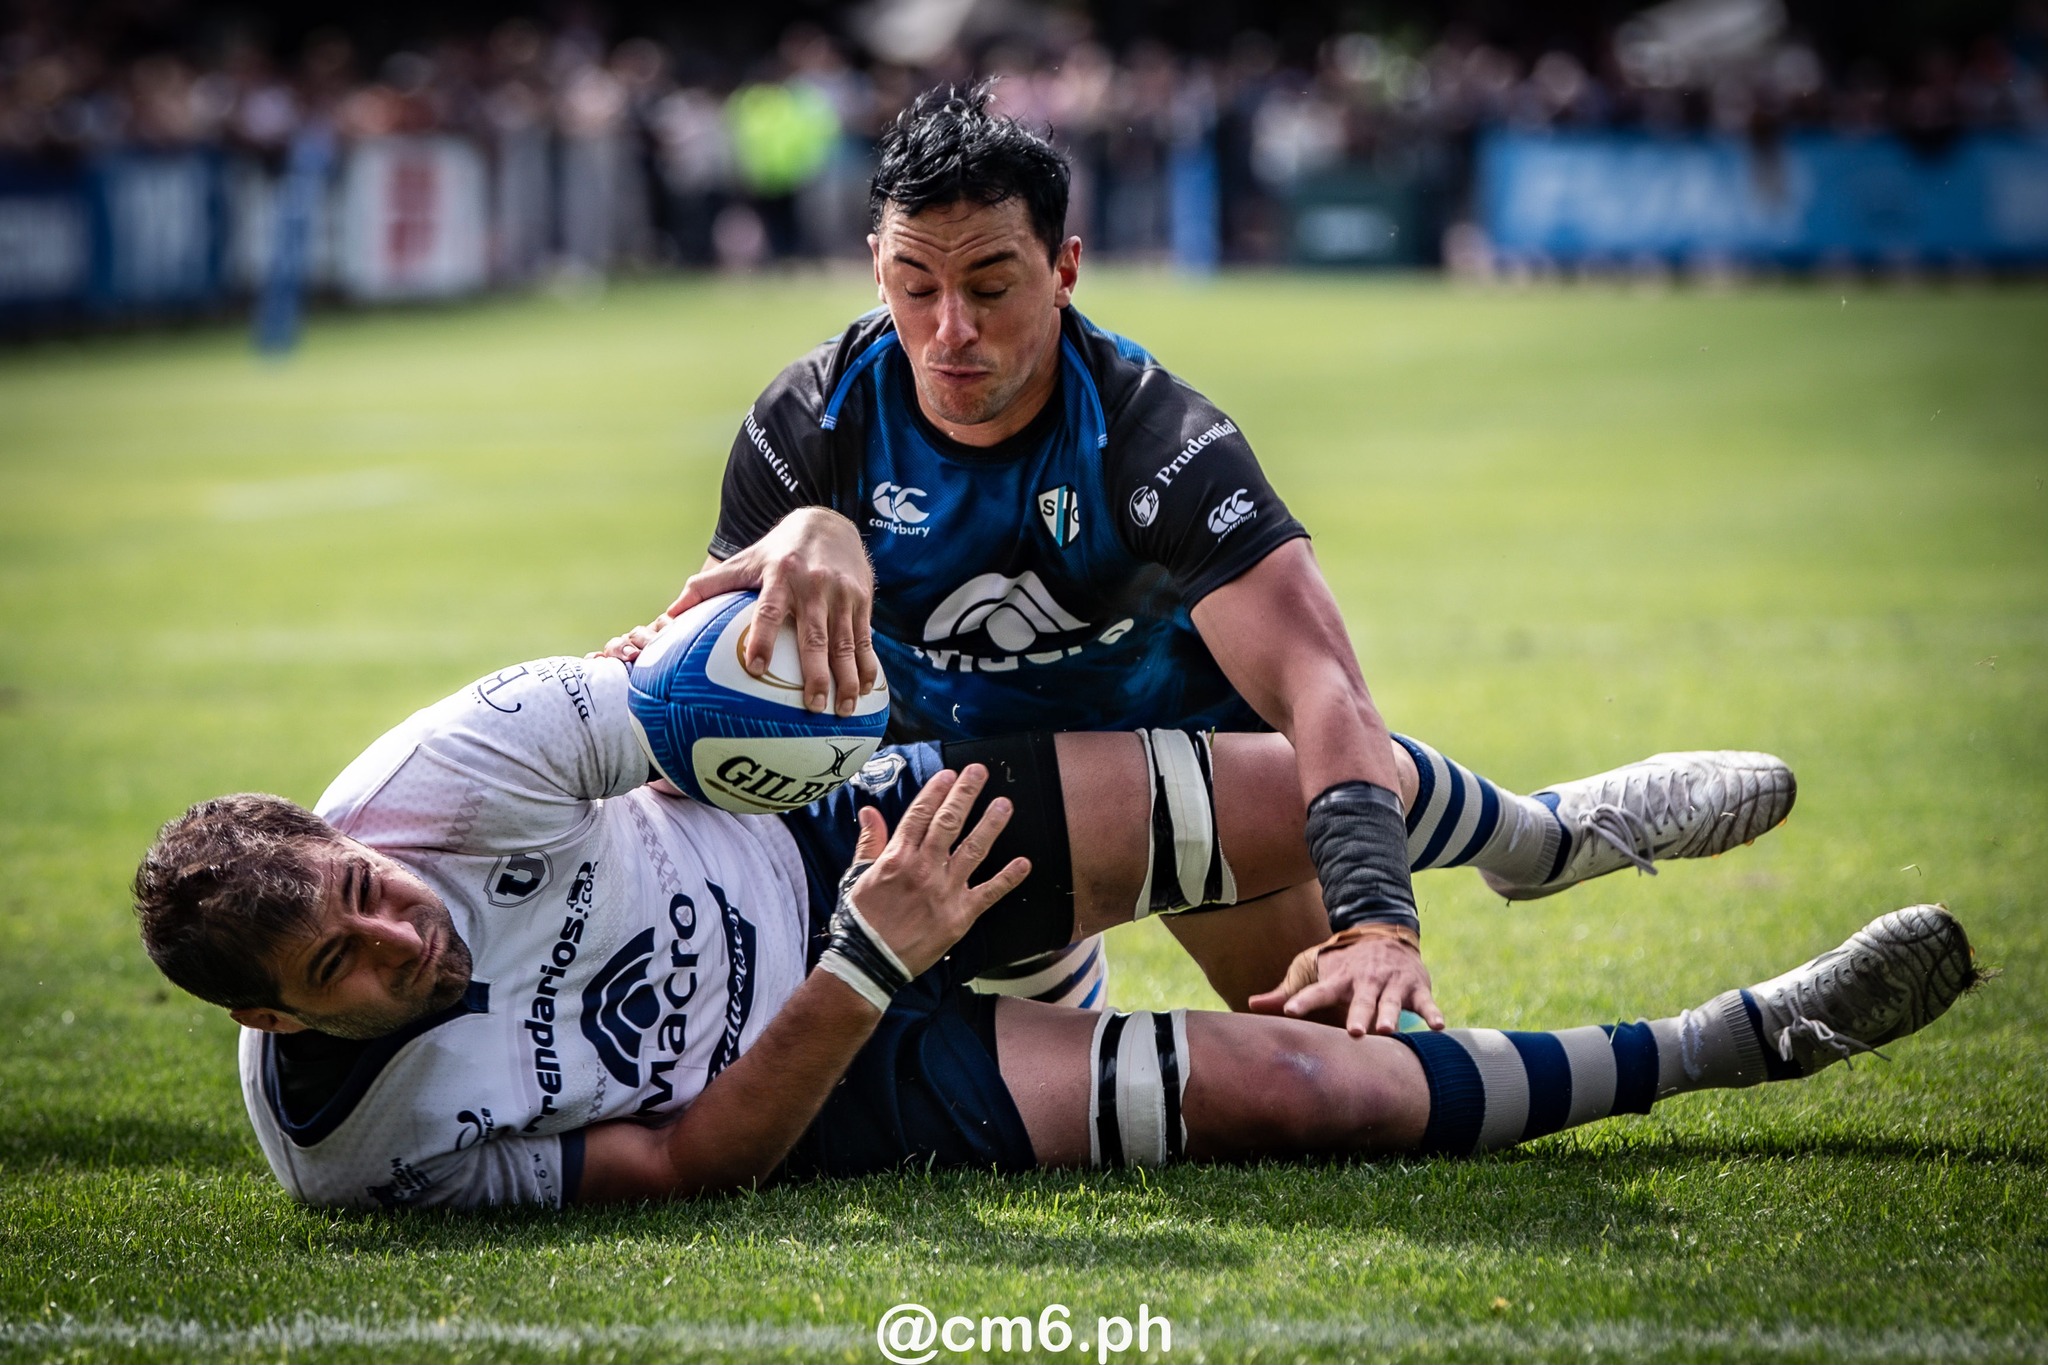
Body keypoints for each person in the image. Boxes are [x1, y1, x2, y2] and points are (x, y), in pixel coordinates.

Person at [606, 83, 1794, 1029]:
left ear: (1064, 272)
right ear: (875, 265)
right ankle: (1053, 965)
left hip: (1190, 778)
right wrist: (658, 695)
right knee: (965, 1056)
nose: (948, 330)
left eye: (990, 285)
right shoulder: (808, 422)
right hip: (956, 808)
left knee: (1346, 1061)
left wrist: (1380, 923)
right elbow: (735, 664)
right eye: (914, 286)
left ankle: (1541, 841)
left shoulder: (1154, 441)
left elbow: (1318, 687)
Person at [133, 653, 1972, 1209]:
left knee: (1247, 783)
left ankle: (1543, 837)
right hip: (835, 1068)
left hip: (843, 832)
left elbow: (679, 675)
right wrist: (868, 964)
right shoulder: (358, 1149)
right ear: (287, 1027)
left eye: (364, 891)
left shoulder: (433, 773)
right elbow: (691, 1153)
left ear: (341, 829)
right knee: (1307, 1096)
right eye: (343, 972)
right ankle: (1753, 1038)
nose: (395, 935)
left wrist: (787, 592)